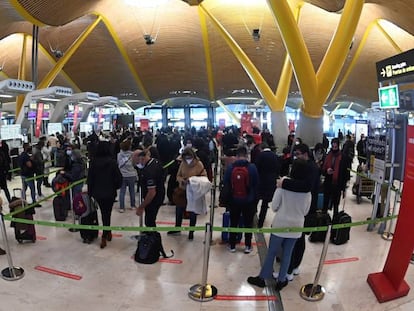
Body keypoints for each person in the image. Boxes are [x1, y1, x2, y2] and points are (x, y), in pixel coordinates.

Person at [247, 159, 311, 291]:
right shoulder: (307, 191)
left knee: (272, 253)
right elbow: (305, 211)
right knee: (288, 254)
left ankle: (262, 278)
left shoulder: (283, 186)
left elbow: (275, 206)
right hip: (297, 225)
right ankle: (282, 280)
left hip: (281, 224)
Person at [223, 146, 259, 253]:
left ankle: (232, 245)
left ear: (236, 156)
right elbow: (256, 184)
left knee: (234, 222)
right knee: (248, 223)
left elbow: (226, 184)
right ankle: (248, 245)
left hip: (234, 200)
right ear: (247, 156)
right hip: (249, 201)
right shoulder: (252, 167)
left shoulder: (230, 168)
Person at [87, 141, 122, 249]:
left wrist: (90, 192)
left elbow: (90, 179)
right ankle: (105, 234)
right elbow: (119, 178)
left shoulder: (93, 162)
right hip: (110, 192)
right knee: (107, 213)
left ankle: (107, 231)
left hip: (98, 192)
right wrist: (115, 186)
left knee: (103, 213)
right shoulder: (112, 162)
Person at [167, 147, 207, 240]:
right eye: (186, 157)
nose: (188, 159)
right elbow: (178, 175)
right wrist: (182, 180)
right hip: (183, 190)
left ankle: (191, 231)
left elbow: (204, 177)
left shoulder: (199, 164)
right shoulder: (183, 164)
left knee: (193, 212)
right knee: (179, 210)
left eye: (189, 157)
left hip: (194, 191)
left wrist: (193, 180)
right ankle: (177, 228)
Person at [134, 148, 165, 228]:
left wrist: (141, 207)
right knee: (150, 220)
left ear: (142, 158)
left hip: (154, 200)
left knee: (149, 221)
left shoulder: (149, 171)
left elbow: (151, 192)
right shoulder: (155, 162)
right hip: (160, 194)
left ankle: (153, 238)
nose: (138, 164)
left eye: (137, 162)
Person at [255, 143, 280, 228]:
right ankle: (260, 223)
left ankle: (252, 217)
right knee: (265, 204)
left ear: (261, 148)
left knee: (256, 200)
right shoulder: (275, 156)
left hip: (260, 181)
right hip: (271, 182)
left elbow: (256, 168)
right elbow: (278, 169)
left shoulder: (260, 156)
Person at [322, 138, 347, 216]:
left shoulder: (342, 157)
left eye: (335, 147)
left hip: (337, 184)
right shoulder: (328, 155)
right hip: (328, 182)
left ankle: (335, 221)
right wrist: (327, 171)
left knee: (336, 204)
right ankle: (324, 219)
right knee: (325, 202)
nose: (334, 148)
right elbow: (323, 169)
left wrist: (343, 187)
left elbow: (344, 173)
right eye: (333, 146)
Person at [117, 139, 136, 213]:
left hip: (122, 175)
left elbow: (119, 164)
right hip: (132, 174)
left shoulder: (119, 155)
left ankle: (122, 207)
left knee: (122, 192)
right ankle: (133, 205)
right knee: (132, 191)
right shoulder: (133, 154)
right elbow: (134, 164)